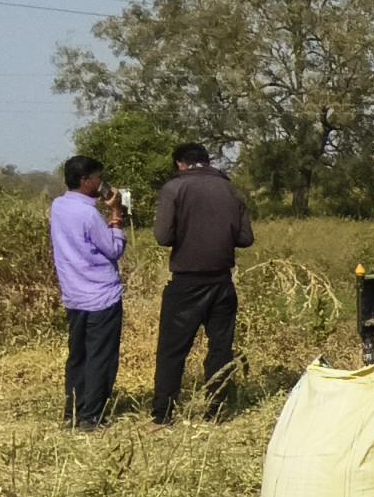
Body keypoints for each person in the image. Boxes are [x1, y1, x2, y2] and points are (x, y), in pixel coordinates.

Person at [150, 142, 253, 424]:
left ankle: (163, 414)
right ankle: (215, 410)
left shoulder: (174, 188)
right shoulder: (231, 189)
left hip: (186, 282)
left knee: (172, 350)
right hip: (222, 281)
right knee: (220, 348)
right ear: (207, 161)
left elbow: (163, 237)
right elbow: (245, 238)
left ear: (180, 163)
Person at [49, 155, 128, 429]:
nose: (100, 183)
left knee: (78, 356)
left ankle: (73, 412)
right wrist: (116, 217)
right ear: (85, 181)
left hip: (74, 294)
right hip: (101, 295)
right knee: (100, 357)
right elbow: (114, 249)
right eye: (97, 178)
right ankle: (92, 416)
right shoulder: (89, 214)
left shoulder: (58, 206)